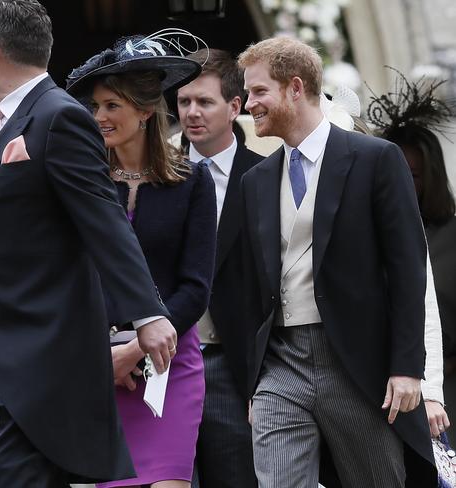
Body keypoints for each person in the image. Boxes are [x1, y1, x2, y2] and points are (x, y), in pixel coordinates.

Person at [0, 2, 179, 487]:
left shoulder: (58, 117)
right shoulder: (0, 125)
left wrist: (148, 312)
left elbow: (104, 219)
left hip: (42, 353)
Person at [237, 37, 436, 487]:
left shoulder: (375, 159)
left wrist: (408, 367)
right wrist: (254, 382)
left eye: (257, 91)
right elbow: (253, 286)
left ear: (293, 87)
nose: (248, 104)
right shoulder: (255, 182)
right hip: (279, 365)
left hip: (356, 362)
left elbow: (408, 270)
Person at [66, 32, 216, 488]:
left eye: (112, 105)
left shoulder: (193, 180)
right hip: (100, 364)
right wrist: (104, 356)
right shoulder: (83, 183)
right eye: (95, 107)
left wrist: (140, 347)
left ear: (145, 111)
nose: (100, 117)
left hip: (171, 364)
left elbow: (195, 287)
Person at [175, 48, 262, 488]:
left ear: (235, 107)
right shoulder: (158, 177)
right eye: (184, 101)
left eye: (204, 102)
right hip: (166, 363)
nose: (192, 112)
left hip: (233, 367)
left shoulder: (264, 178)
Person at [367, 72, 455, 437]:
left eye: (413, 175)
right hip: (385, 390)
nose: (404, 185)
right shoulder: (368, 239)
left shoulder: (451, 235)